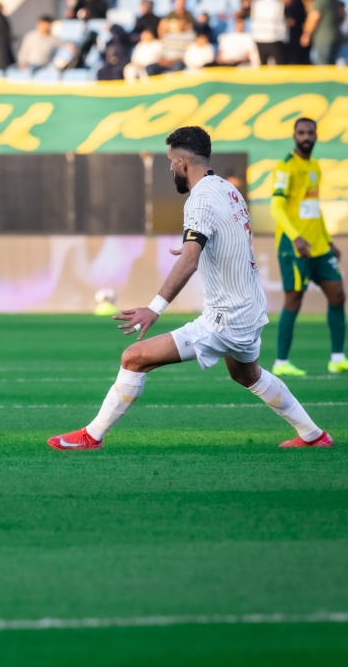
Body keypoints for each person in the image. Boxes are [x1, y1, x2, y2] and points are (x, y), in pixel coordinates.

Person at [48, 126, 332, 451]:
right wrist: (192, 248)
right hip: (250, 310)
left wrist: (153, 308)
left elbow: (190, 262)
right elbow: (224, 242)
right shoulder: (228, 189)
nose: (170, 168)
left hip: (224, 319)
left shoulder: (198, 201)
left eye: (171, 161)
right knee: (247, 375)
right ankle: (314, 435)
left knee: (134, 357)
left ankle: (91, 436)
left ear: (183, 163)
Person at [270, 118, 347, 375]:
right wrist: (296, 237)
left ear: (315, 135)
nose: (306, 137)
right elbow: (277, 208)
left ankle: (337, 358)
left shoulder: (314, 166)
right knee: (294, 300)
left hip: (319, 247)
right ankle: (281, 363)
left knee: (337, 295)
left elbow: (314, 210)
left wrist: (327, 240)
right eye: (301, 132)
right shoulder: (286, 167)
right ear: (294, 135)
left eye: (310, 132)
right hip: (294, 246)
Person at [302, 0, 343, 64]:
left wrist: (306, 34)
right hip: (336, 35)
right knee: (331, 66)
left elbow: (314, 17)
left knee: (323, 67)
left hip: (323, 38)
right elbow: (342, 14)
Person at [252, 0, 288, 64]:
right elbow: (284, 18)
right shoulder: (279, 3)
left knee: (263, 65)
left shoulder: (257, 2)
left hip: (259, 37)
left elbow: (253, 17)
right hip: (275, 38)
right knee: (279, 64)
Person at [284, 0, 311, 64]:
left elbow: (308, 7)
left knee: (301, 47)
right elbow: (285, 5)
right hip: (289, 23)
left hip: (301, 22)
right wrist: (287, 17)